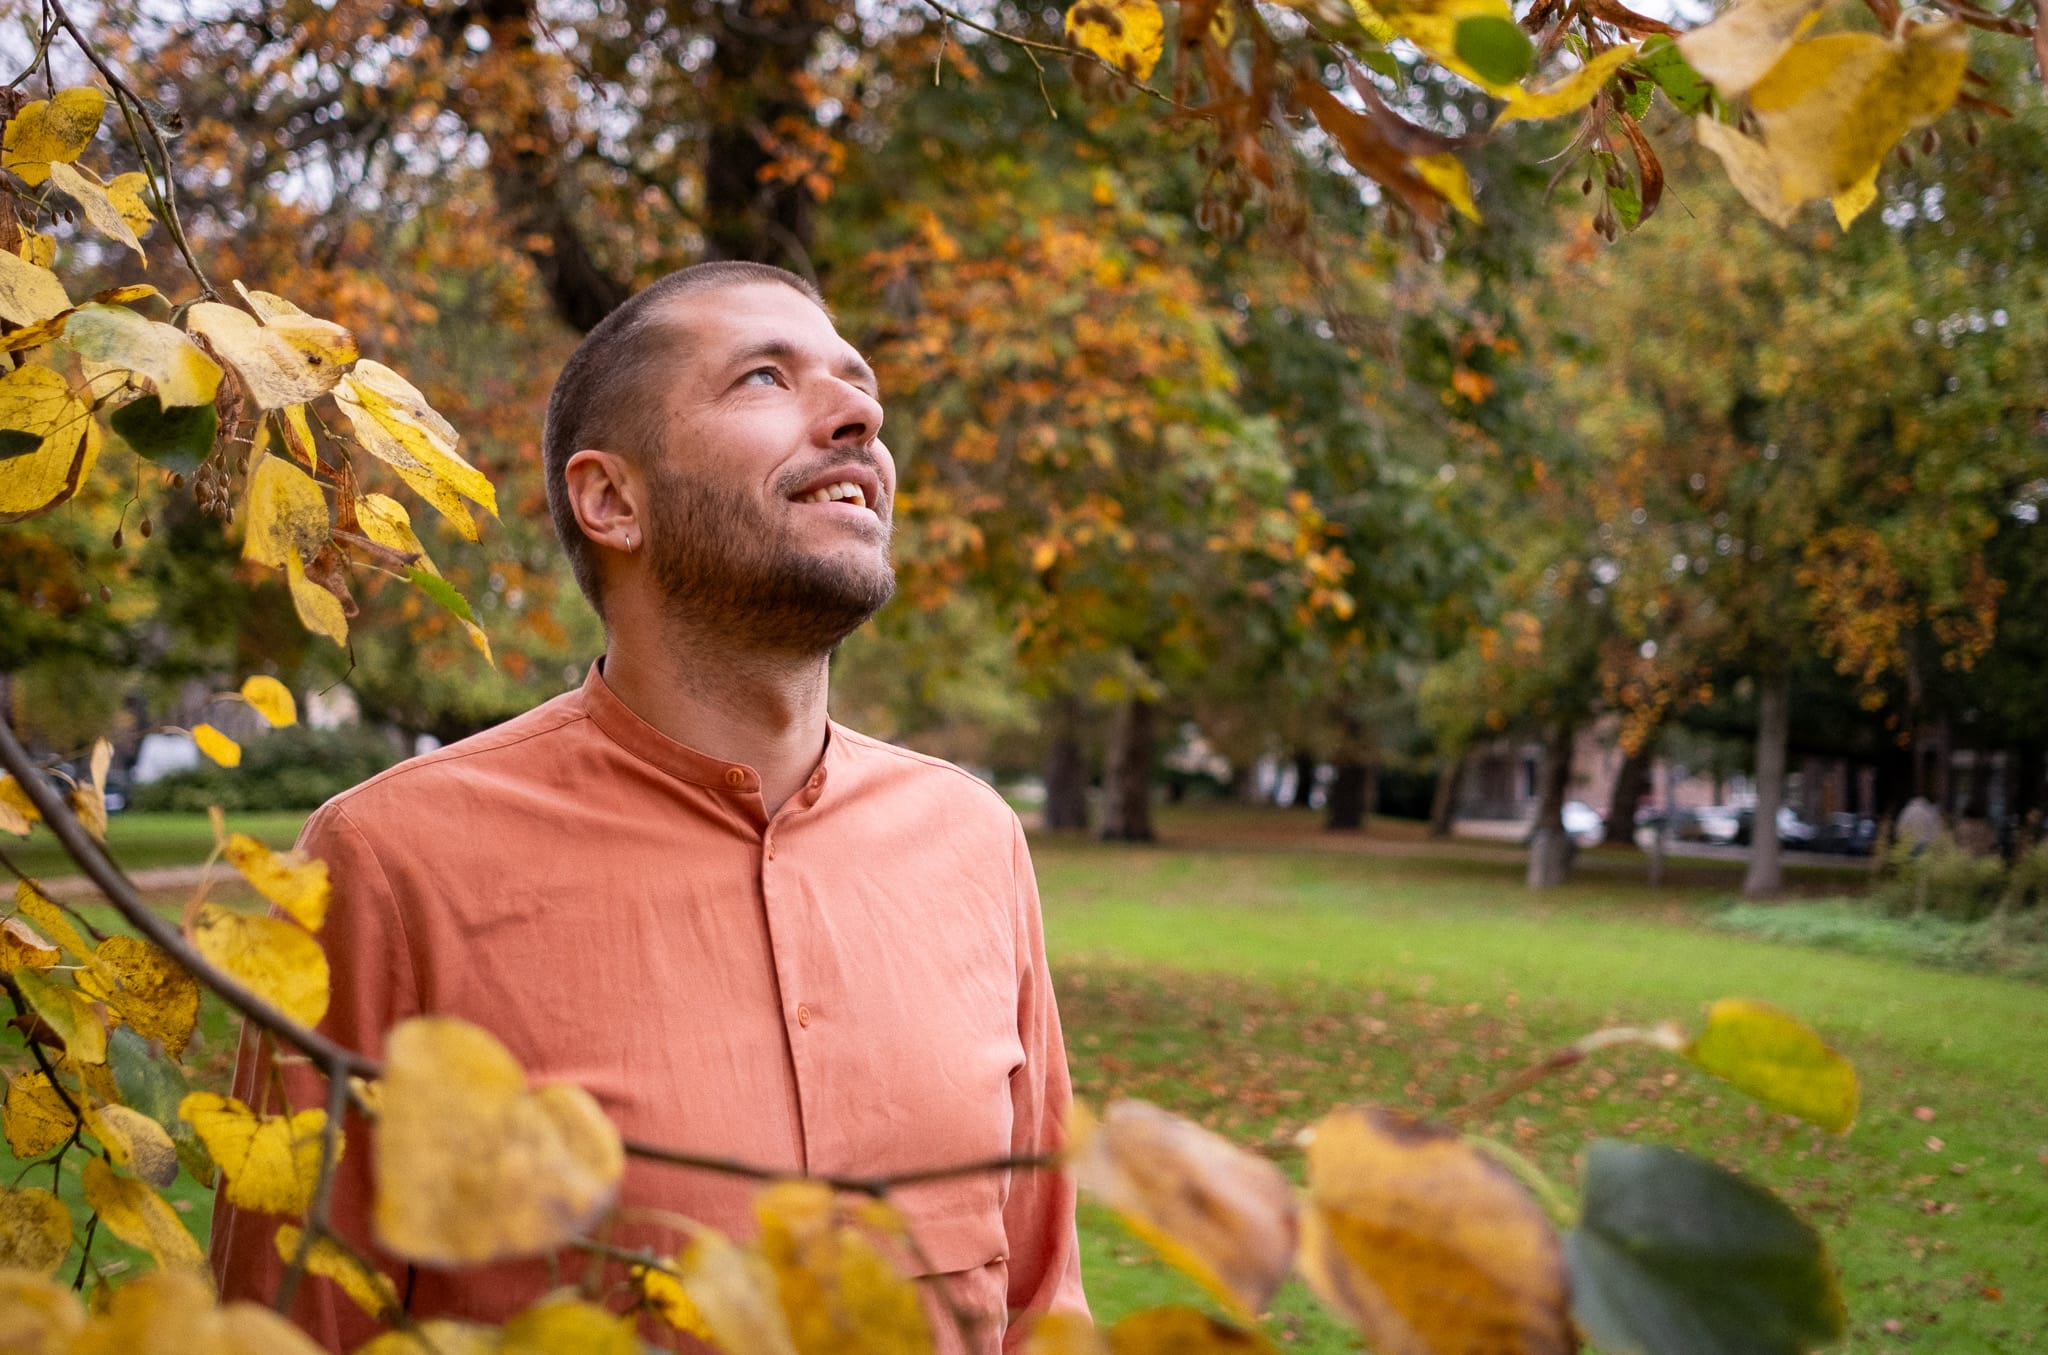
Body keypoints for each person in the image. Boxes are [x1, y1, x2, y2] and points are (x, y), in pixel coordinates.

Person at [210, 262, 1087, 1352]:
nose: (859, 414)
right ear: (611, 499)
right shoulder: (389, 865)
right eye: (765, 378)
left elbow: (1043, 1301)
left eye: (859, 389)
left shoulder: (973, 843)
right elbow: (293, 1325)